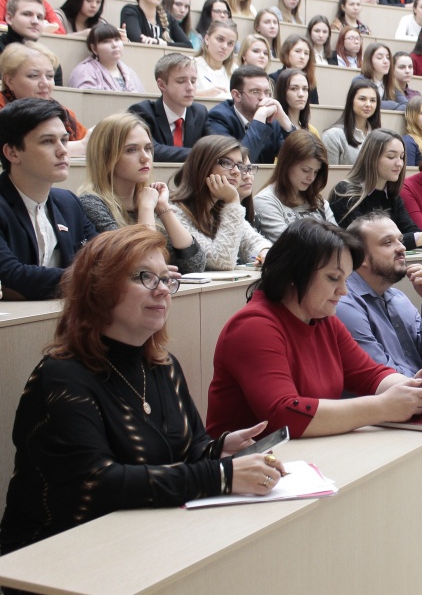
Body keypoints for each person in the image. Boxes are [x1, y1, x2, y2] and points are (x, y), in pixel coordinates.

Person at [0, 226, 286, 554]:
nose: (163, 290)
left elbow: (189, 448)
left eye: (166, 278)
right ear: (99, 289)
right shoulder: (61, 377)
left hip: (140, 539)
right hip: (53, 556)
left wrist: (219, 450)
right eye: (144, 277)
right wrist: (221, 475)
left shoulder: (163, 366)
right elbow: (99, 484)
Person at [205, 218, 422, 437]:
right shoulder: (253, 327)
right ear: (293, 274)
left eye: (345, 279)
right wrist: (384, 407)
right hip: (248, 469)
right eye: (334, 278)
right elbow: (284, 415)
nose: (343, 291)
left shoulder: (323, 320)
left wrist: (412, 389)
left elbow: (371, 375)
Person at [77, 113, 205, 273]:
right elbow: (143, 265)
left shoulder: (151, 198)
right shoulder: (91, 203)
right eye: (131, 150)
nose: (145, 158)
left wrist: (163, 208)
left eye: (148, 148)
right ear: (106, 156)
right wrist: (146, 208)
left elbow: (195, 265)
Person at [0, 98, 97, 301]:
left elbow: (102, 258)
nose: (63, 150)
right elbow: (10, 275)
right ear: (12, 152)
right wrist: (94, 277)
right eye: (47, 141)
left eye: (64, 139)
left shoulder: (69, 202)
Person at [336, 212, 422, 377]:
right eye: (387, 242)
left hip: (417, 396)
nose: (402, 248)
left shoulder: (399, 298)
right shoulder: (344, 304)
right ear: (360, 257)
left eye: (401, 240)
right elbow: (380, 377)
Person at [169, 134, 271, 270]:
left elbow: (254, 242)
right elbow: (222, 262)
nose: (236, 172)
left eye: (239, 165)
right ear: (203, 165)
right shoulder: (174, 212)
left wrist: (264, 252)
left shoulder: (219, 208)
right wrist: (233, 201)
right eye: (226, 163)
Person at [253, 131, 336, 243]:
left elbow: (339, 242)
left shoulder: (319, 202)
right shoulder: (265, 201)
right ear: (287, 164)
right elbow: (290, 248)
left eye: (316, 172)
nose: (311, 178)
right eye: (305, 170)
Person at [128, 53, 213, 162]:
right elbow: (152, 150)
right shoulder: (142, 111)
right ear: (162, 85)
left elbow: (218, 146)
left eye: (193, 81)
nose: (190, 88)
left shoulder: (199, 112)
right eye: (181, 81)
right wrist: (202, 154)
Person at [208, 65, 294, 164]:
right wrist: (258, 121)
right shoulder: (219, 118)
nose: (263, 98)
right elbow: (237, 165)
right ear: (236, 95)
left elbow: (297, 159)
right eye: (255, 92)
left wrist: (286, 122)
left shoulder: (272, 120)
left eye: (267, 92)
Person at [121, 0, 192, 48]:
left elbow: (188, 45)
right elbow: (137, 41)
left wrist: (161, 43)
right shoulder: (130, 11)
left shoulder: (167, 16)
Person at [68, 23, 144, 93]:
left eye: (117, 40)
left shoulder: (130, 73)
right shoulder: (85, 72)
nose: (114, 45)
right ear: (94, 49)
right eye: (106, 41)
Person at [321, 80, 381, 164]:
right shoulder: (333, 136)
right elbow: (329, 175)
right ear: (351, 100)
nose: (368, 104)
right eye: (362, 99)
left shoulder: (380, 136)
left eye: (373, 100)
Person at [353, 42, 407, 111]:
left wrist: (380, 104)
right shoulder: (360, 80)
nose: (386, 61)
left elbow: (406, 105)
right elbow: (366, 104)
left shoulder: (390, 83)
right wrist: (393, 104)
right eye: (379, 58)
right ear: (369, 61)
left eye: (388, 58)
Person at [193, 19, 237, 100]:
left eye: (230, 43)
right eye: (220, 39)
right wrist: (205, 94)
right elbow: (175, 93)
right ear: (207, 39)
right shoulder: (190, 64)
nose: (224, 46)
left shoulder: (235, 71)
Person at [270, 34, 319, 104]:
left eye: (306, 53)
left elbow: (314, 108)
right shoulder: (274, 78)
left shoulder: (310, 81)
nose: (302, 57)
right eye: (297, 51)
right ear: (286, 53)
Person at [273, 68, 319, 138]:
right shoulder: (273, 129)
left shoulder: (312, 131)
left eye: (305, 89)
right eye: (294, 88)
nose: (301, 94)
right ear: (282, 92)